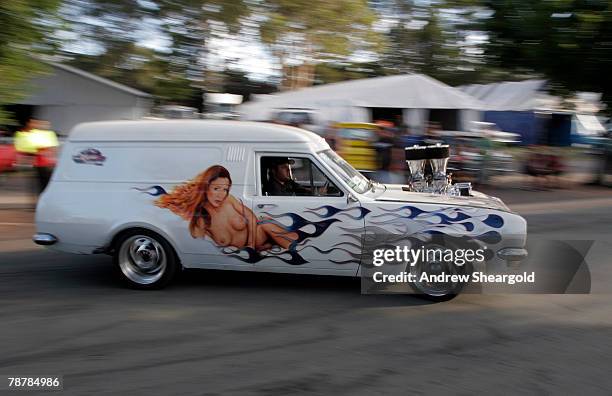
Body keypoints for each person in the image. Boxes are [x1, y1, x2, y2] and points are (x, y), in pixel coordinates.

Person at [156, 165, 297, 251]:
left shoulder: (229, 200)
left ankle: (296, 248)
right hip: (253, 247)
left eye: (225, 189)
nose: (221, 195)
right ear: (206, 187)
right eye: (216, 188)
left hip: (258, 236)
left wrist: (251, 245)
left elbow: (251, 218)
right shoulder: (201, 219)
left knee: (265, 222)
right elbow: (200, 245)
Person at [14, 119, 58, 192]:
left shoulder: (47, 134)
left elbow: (52, 149)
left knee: (45, 184)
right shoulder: (31, 134)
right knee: (42, 184)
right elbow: (26, 148)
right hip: (40, 164)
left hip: (46, 163)